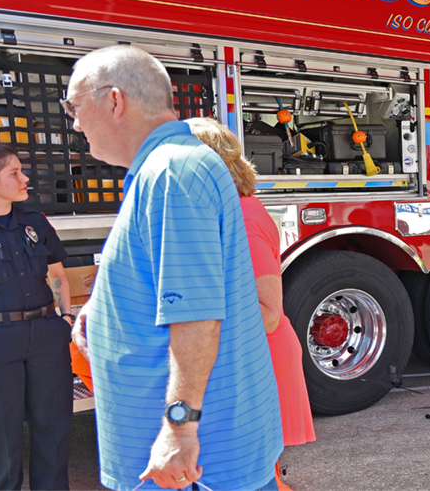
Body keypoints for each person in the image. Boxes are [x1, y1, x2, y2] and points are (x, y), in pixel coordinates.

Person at [66, 45, 282, 491]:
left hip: (192, 469)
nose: (74, 121)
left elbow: (196, 316)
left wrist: (179, 429)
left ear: (114, 100)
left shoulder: (171, 174)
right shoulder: (172, 167)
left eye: (74, 104)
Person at [186, 118, 316, 481]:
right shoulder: (231, 209)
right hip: (252, 357)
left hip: (258, 360)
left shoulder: (242, 216)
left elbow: (267, 312)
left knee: (256, 478)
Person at [0, 142, 72, 491]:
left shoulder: (35, 222)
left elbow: (58, 276)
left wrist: (65, 319)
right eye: (14, 173)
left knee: (52, 428)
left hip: (46, 334)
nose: (25, 179)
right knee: (1, 439)